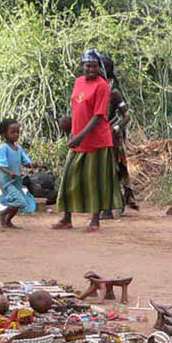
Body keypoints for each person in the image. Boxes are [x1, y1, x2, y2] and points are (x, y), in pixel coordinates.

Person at [54, 50, 121, 232]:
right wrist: (73, 134)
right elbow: (76, 109)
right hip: (78, 138)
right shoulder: (78, 82)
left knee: (94, 181)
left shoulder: (103, 86)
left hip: (96, 140)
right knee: (69, 178)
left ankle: (94, 220)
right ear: (83, 67)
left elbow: (99, 116)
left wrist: (80, 136)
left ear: (99, 68)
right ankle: (66, 218)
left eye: (93, 66)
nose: (90, 69)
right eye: (87, 66)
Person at [100, 53, 139, 213]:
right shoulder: (93, 89)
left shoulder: (113, 92)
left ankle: (113, 205)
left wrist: (115, 129)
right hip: (98, 135)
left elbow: (127, 116)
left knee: (113, 169)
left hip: (113, 136)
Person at [0, 118, 35, 230]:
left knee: (19, 203)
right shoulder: (4, 148)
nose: (16, 135)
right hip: (7, 181)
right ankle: (3, 214)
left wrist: (33, 164)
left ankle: (8, 221)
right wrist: (10, 172)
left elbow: (26, 162)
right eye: (12, 132)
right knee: (20, 201)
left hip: (16, 181)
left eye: (18, 132)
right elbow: (1, 165)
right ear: (4, 134)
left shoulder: (19, 148)